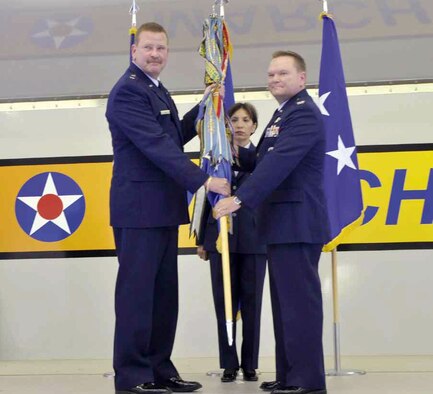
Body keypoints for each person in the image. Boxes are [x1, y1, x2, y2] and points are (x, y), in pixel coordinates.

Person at [105, 22, 230, 394]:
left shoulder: (156, 91)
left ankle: (160, 369)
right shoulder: (127, 92)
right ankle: (133, 376)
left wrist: (205, 106)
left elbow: (172, 137)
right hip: (138, 211)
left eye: (161, 48)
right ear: (134, 52)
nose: (155, 54)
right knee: (136, 296)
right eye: (148, 48)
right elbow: (155, 147)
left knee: (163, 298)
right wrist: (203, 181)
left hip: (160, 210)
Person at [214, 51, 330, 394]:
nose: (275, 79)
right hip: (280, 225)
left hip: (297, 223)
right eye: (271, 74)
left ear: (301, 78)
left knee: (300, 307)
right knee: (284, 309)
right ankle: (290, 374)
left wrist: (240, 199)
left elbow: (278, 164)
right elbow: (262, 158)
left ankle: (306, 380)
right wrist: (231, 147)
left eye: (282, 73)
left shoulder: (304, 114)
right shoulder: (284, 114)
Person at [196, 103, 267, 383]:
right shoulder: (215, 158)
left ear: (254, 126)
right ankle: (228, 363)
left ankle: (249, 364)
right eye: (234, 119)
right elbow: (204, 200)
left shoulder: (262, 157)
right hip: (221, 239)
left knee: (252, 304)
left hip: (254, 239)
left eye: (245, 120)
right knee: (223, 303)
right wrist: (203, 238)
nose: (239, 124)